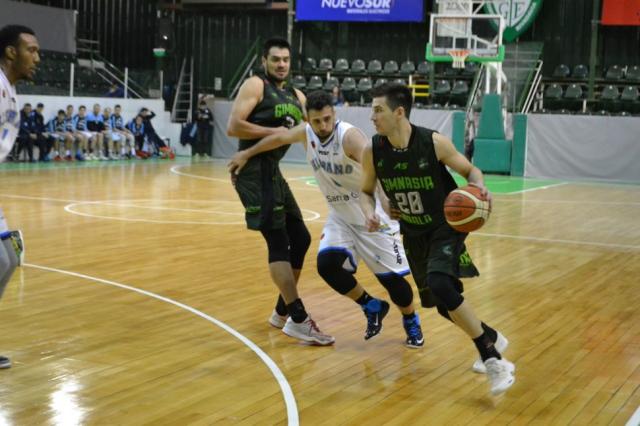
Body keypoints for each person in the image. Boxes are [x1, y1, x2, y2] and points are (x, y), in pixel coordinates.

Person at [228, 90, 424, 346]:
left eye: (327, 119)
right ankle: (371, 305)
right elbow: (277, 138)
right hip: (341, 216)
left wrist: (385, 200)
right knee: (327, 265)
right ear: (308, 120)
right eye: (317, 121)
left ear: (334, 115)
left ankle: (411, 319)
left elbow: (376, 167)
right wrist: (247, 154)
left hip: (370, 214)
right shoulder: (305, 133)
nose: (323, 126)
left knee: (393, 283)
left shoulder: (350, 137)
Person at [360, 83, 514, 395]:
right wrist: (372, 211)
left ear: (399, 112)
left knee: (441, 283)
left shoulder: (433, 143)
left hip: (446, 226)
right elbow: (365, 191)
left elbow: (471, 171)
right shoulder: (372, 149)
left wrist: (479, 187)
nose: (372, 116)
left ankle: (493, 359)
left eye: (378, 110)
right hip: (413, 233)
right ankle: (491, 336)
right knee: (443, 305)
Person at [226, 37, 333, 345]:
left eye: (285, 59)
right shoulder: (256, 85)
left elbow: (307, 131)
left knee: (300, 237)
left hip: (272, 172)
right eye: (276, 59)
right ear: (265, 61)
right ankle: (299, 318)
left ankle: (281, 312)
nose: (281, 64)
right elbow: (234, 126)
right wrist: (275, 133)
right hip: (253, 171)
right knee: (278, 239)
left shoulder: (296, 95)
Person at [0, 24, 40, 369]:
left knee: (9, 260)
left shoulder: (10, 90)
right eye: (32, 50)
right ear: (11, 52)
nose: (37, 58)